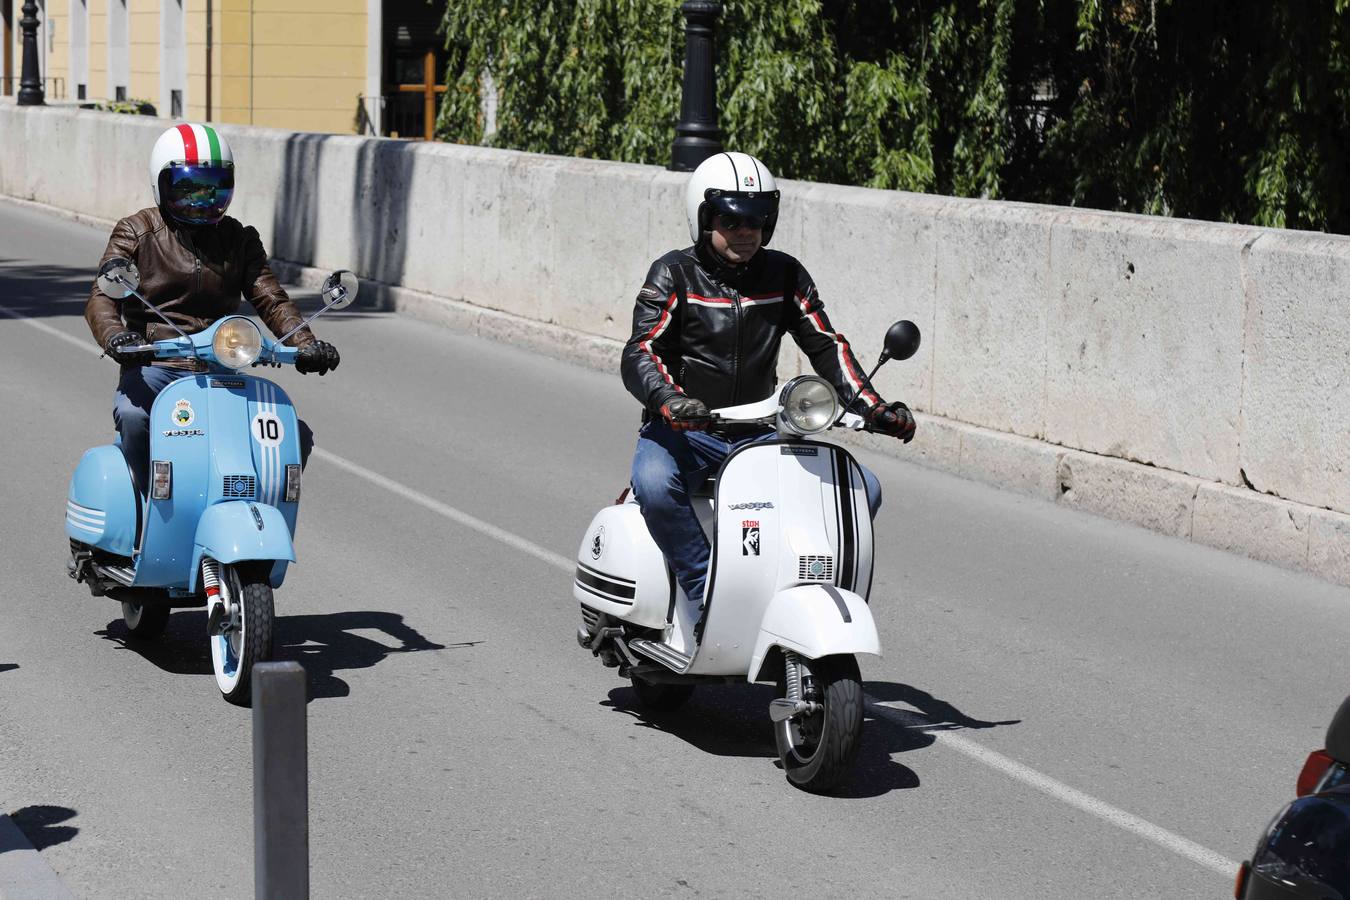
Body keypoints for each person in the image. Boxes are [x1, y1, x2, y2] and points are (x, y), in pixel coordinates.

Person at [621, 151, 916, 612]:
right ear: (703, 217)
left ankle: (799, 591)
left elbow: (826, 345)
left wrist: (873, 408)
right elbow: (641, 350)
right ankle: (706, 595)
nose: (745, 232)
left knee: (864, 489)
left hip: (761, 434)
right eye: (731, 220)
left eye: (756, 221)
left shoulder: (785, 274)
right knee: (655, 484)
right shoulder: (674, 273)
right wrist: (670, 401)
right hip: (685, 431)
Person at [85, 123, 340, 497]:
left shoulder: (239, 238)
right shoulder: (137, 232)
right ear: (162, 185)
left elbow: (271, 298)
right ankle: (144, 509)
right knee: (135, 416)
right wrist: (116, 335)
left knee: (290, 432)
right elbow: (102, 296)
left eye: (214, 188)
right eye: (188, 188)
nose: (202, 200)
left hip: (223, 363)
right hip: (159, 366)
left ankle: (259, 509)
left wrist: (305, 343)